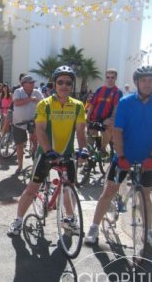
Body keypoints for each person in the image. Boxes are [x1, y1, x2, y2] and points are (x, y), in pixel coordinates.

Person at [84, 66, 152, 251]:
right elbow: (117, 131)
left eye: (150, 80)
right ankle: (94, 227)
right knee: (108, 191)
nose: (147, 84)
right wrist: (121, 156)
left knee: (145, 196)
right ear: (137, 82)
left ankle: (148, 232)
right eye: (143, 80)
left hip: (147, 159)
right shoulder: (125, 102)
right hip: (124, 156)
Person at [7, 66, 88, 236]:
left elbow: (80, 131)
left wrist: (84, 149)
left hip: (66, 154)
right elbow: (40, 130)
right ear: (55, 84)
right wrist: (48, 150)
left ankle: (69, 219)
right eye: (60, 82)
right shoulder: (45, 104)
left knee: (69, 188)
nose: (64, 85)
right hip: (46, 153)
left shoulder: (79, 106)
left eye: (68, 82)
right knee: (32, 189)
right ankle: (18, 220)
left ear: (72, 85)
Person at [86, 69, 123, 156]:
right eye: (108, 77)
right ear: (105, 78)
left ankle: (102, 149)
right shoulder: (100, 90)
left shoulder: (117, 92)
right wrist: (87, 119)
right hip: (94, 118)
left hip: (107, 119)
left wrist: (112, 119)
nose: (110, 79)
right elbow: (92, 105)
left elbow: (116, 108)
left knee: (108, 129)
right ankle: (88, 159)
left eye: (112, 77)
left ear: (116, 78)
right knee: (90, 139)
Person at [12, 75, 44, 174]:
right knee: (19, 145)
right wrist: (30, 99)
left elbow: (44, 104)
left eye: (33, 82)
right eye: (31, 82)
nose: (33, 84)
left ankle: (35, 160)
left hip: (33, 121)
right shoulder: (18, 91)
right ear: (24, 84)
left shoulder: (37, 92)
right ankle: (20, 166)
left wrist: (37, 101)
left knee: (35, 141)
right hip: (18, 122)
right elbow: (16, 103)